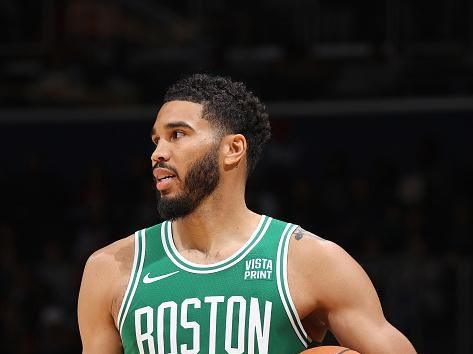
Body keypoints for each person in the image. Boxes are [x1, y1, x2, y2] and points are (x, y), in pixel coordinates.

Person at [78, 74, 417, 354]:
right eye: (156, 140)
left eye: (177, 135)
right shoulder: (109, 269)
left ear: (233, 149)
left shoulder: (310, 261)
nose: (158, 153)